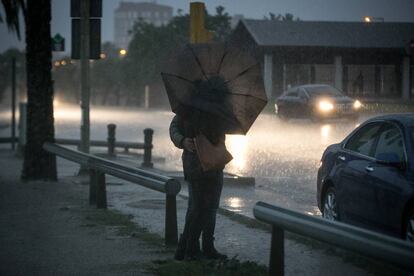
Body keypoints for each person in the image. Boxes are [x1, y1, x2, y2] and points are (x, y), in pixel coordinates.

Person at [169, 114, 227, 261]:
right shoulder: (188, 106)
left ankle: (206, 247)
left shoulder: (220, 108)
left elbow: (221, 134)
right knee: (197, 207)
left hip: (215, 163)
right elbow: (174, 128)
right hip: (195, 163)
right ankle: (188, 248)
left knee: (211, 207)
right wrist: (183, 141)